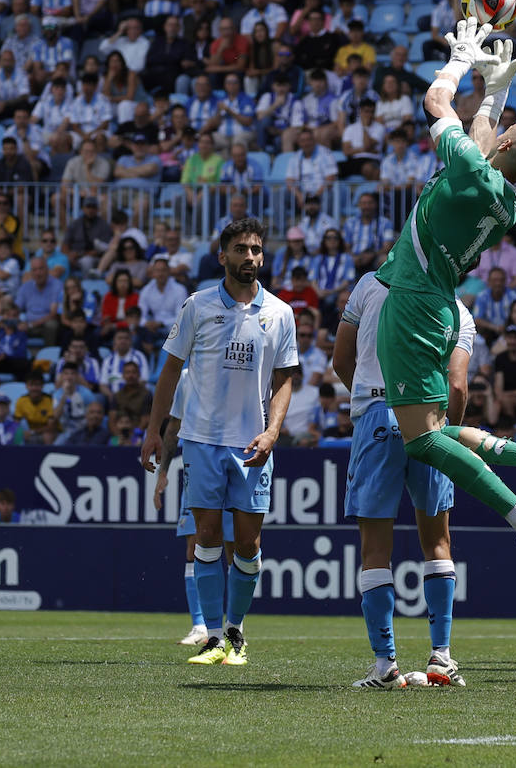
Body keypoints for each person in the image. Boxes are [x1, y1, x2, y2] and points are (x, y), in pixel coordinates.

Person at [374, 18, 516, 586]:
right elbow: (482, 139)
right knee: (436, 428)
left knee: (422, 439)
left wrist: (460, 59)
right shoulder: (506, 202)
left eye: (504, 131)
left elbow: (435, 103)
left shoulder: (471, 168)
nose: (495, 133)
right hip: (441, 306)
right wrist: (495, 92)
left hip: (414, 303)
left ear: (508, 145)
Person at [138, 217, 300, 667]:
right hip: (202, 440)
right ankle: (213, 637)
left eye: (256, 250)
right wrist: (153, 431)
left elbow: (285, 379)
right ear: (222, 256)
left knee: (247, 545)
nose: (250, 257)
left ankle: (236, 633)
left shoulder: (280, 313)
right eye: (241, 249)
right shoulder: (197, 306)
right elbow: (170, 371)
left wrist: (272, 431)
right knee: (206, 538)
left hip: (252, 444)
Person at [333, 271, 473, 689]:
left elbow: (341, 360)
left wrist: (373, 399)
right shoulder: (458, 311)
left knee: (375, 548)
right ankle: (441, 658)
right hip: (430, 419)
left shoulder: (369, 285)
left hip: (378, 414)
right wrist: (446, 433)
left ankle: (386, 667)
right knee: (438, 542)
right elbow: (457, 386)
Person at [151, 374, 238, 645]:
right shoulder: (188, 377)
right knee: (194, 546)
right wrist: (163, 472)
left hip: (233, 463)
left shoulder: (239, 370)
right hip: (198, 466)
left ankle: (235, 627)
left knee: (234, 549)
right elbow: (174, 425)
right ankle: (200, 625)